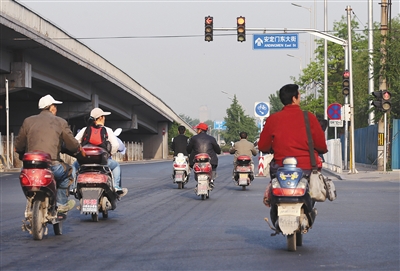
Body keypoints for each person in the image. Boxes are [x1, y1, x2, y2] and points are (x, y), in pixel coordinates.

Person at [15, 94, 81, 213]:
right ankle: (61, 204)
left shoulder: (28, 121)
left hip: (30, 167)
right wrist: (77, 149)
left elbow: (19, 145)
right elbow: (72, 144)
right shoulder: (60, 122)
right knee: (68, 172)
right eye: (55, 106)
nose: (56, 109)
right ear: (51, 107)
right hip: (52, 166)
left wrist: (21, 154)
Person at [258, 84, 328, 178]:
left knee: (272, 189)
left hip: (280, 167)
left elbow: (262, 146)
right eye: (299, 95)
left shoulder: (273, 119)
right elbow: (321, 145)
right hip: (306, 168)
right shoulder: (309, 117)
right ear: (294, 98)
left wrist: (271, 148)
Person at [72, 108, 128, 197]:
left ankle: (73, 186)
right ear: (101, 118)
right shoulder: (107, 130)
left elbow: (74, 142)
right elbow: (116, 145)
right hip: (103, 163)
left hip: (84, 163)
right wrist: (109, 153)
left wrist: (79, 153)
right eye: (104, 116)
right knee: (116, 165)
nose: (105, 118)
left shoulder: (85, 130)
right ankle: (116, 187)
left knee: (74, 165)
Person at [187, 123, 221, 188]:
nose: (196, 130)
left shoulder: (194, 138)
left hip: (196, 161)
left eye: (197, 129)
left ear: (200, 130)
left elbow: (188, 150)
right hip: (211, 161)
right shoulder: (212, 139)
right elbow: (218, 150)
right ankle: (211, 180)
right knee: (213, 168)